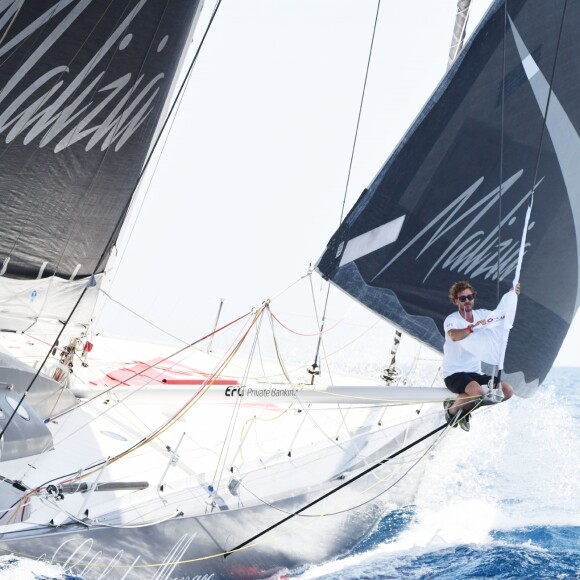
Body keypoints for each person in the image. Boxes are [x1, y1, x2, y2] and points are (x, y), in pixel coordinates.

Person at [441, 280, 518, 431]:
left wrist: (512, 295)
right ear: (456, 301)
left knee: (506, 391)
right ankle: (451, 410)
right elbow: (453, 336)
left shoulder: (482, 314)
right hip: (454, 373)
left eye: (470, 297)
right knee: (476, 392)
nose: (467, 301)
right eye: (463, 298)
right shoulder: (452, 320)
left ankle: (465, 409)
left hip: (474, 372)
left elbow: (501, 316)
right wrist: (473, 327)